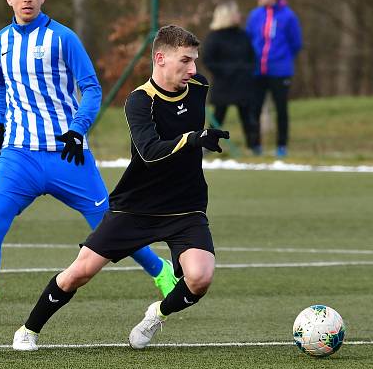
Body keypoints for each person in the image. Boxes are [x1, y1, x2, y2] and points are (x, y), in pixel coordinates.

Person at [0, 0, 177, 327]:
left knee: (108, 225)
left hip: (68, 155)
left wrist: (77, 128)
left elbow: (92, 88)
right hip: (18, 156)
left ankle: (160, 269)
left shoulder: (62, 38)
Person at [12, 25, 229, 351]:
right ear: (160, 58)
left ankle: (156, 313)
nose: (193, 69)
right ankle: (29, 329)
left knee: (199, 278)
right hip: (135, 207)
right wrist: (193, 138)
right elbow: (149, 150)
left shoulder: (198, 87)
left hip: (186, 206)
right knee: (78, 273)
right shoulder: (139, 101)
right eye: (184, 60)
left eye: (194, 60)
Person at [246, 0, 302, 157]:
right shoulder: (255, 15)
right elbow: (248, 39)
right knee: (254, 107)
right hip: (257, 71)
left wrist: (282, 59)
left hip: (280, 71)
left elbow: (296, 43)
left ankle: (282, 146)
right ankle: (255, 146)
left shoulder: (288, 16)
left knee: (281, 109)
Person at [203, 0, 258, 152]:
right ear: (228, 15)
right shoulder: (214, 37)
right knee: (218, 118)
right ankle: (208, 146)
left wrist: (246, 70)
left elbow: (252, 58)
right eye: (236, 12)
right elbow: (208, 61)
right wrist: (227, 71)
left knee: (248, 117)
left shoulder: (243, 35)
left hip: (243, 84)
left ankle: (253, 147)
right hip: (224, 85)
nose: (240, 15)